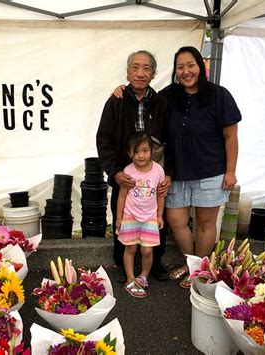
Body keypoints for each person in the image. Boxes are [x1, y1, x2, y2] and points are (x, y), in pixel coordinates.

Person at [112, 46, 241, 288]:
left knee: (205, 223)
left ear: (200, 67)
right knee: (176, 220)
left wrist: (231, 171)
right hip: (176, 173)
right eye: (180, 67)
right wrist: (122, 90)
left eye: (190, 65)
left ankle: (199, 270)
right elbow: (142, 96)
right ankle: (191, 263)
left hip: (210, 170)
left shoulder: (218, 95)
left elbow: (230, 136)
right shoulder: (168, 96)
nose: (185, 71)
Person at [96, 50, 171, 283]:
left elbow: (172, 139)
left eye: (146, 68)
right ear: (127, 72)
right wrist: (115, 171)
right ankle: (122, 264)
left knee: (157, 218)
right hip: (125, 176)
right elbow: (104, 139)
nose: (140, 73)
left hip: (153, 174)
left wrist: (169, 173)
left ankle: (155, 262)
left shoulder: (161, 103)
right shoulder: (115, 101)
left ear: (154, 73)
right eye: (135, 68)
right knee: (121, 219)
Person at [116, 132, 165, 298]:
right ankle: (130, 278)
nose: (141, 155)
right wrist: (118, 218)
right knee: (130, 248)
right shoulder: (128, 171)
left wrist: (159, 216)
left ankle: (143, 276)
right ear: (130, 153)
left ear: (152, 151)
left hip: (150, 217)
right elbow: (122, 196)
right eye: (136, 152)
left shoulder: (158, 171)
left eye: (145, 150)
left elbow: (160, 194)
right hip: (130, 216)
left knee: (147, 251)